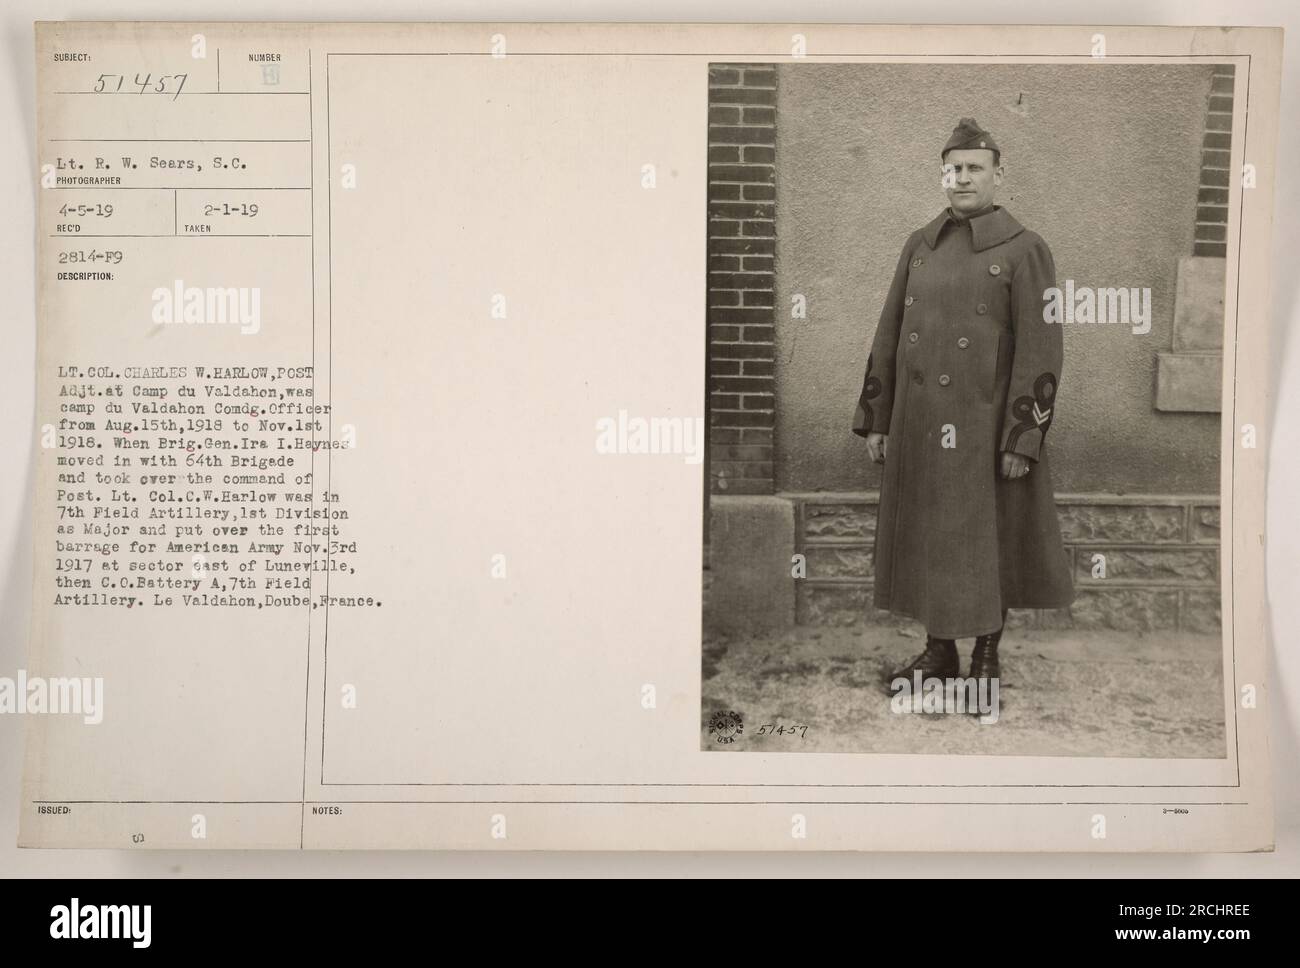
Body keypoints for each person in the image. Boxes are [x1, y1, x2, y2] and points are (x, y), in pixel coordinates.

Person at [851, 117, 1075, 692]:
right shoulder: (919, 245)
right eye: (954, 168)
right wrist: (879, 419)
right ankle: (939, 652)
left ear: (999, 174)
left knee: (988, 544)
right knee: (930, 538)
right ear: (942, 176)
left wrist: (1022, 439)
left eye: (976, 168)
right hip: (921, 427)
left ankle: (986, 660)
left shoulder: (1027, 250)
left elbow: (1042, 351)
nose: (964, 177)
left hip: (985, 431)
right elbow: (890, 331)